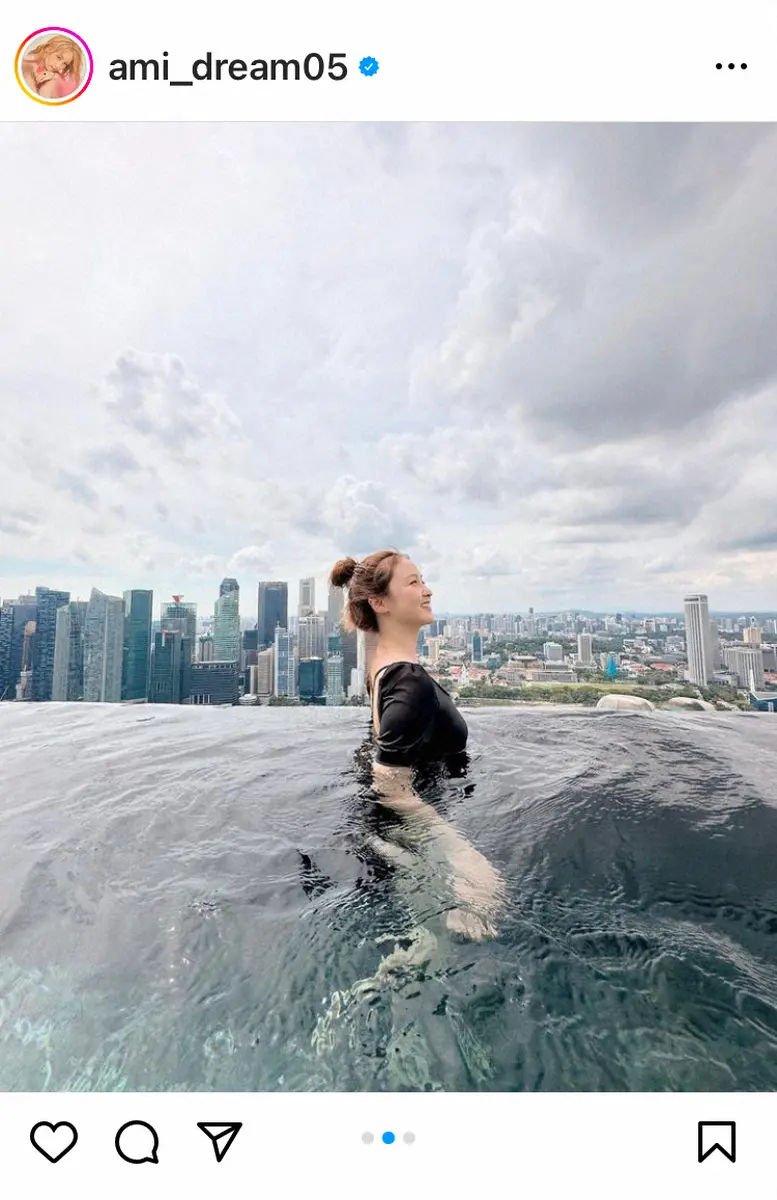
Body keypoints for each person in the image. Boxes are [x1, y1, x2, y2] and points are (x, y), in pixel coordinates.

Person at [329, 548, 506, 940]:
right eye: (414, 582)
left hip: (401, 835)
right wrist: (461, 855)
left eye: (423, 580)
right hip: (413, 840)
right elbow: (389, 787)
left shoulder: (384, 671)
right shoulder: (408, 684)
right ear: (379, 602)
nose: (427, 590)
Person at [22, 35, 83, 99]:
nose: (58, 66)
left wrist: (55, 77)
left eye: (65, 63)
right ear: (48, 48)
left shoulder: (55, 77)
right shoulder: (28, 64)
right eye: (58, 57)